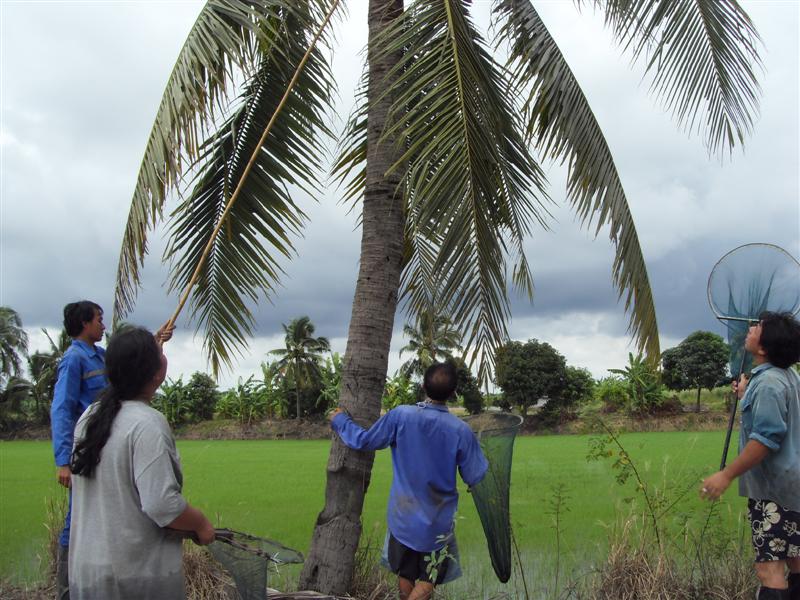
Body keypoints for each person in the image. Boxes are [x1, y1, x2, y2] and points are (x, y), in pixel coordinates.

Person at [68, 326, 214, 599]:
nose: (163, 353)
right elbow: (163, 506)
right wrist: (201, 524)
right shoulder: (147, 423)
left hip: (88, 574)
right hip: (135, 578)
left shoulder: (90, 416)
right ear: (156, 372)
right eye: (159, 352)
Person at [329, 362, 488, 600]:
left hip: (402, 518)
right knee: (428, 578)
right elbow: (474, 475)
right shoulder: (461, 431)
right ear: (453, 393)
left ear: (423, 385)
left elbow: (364, 441)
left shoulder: (401, 415)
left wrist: (340, 420)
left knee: (406, 571)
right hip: (438, 523)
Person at [50, 301, 173, 599]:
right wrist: (63, 460)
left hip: (110, 445)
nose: (103, 326)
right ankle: (68, 588)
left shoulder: (100, 357)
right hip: (91, 448)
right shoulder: (74, 360)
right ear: (83, 324)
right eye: (98, 320)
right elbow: (62, 408)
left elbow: (127, 370)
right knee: (77, 518)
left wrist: (153, 344)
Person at [700, 311, 800, 600]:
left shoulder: (768, 384)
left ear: (765, 347)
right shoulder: (786, 377)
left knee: (769, 571)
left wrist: (727, 474)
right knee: (796, 560)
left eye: (758, 328)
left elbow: (766, 439)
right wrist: (747, 395)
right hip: (793, 487)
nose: (751, 329)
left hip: (774, 491)